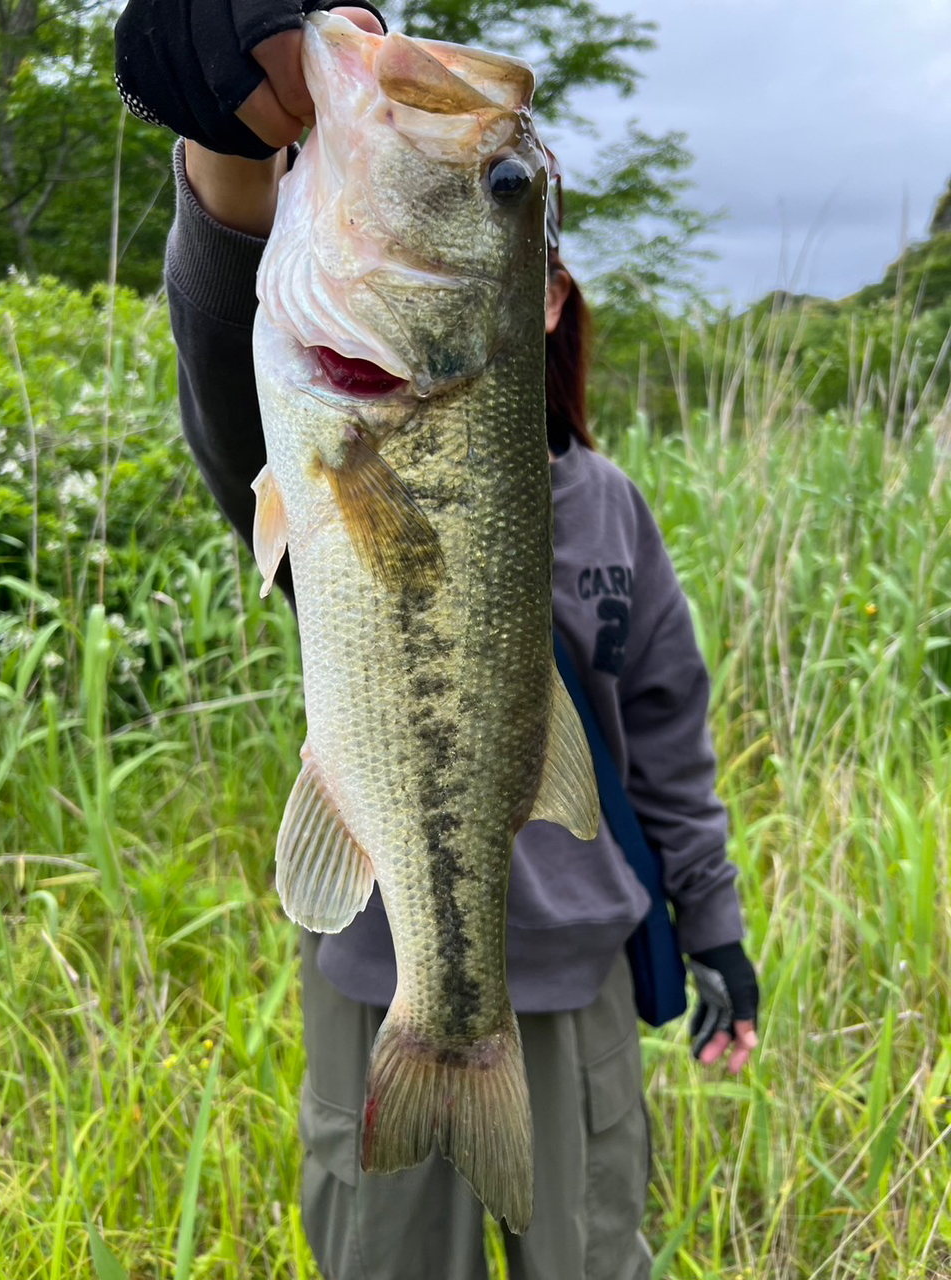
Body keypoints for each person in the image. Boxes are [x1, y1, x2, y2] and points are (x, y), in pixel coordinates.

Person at [115, 4, 760, 1277]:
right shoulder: (327, 410)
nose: (485, 185)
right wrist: (223, 160)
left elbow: (671, 737)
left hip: (578, 985)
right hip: (378, 973)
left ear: (546, 296)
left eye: (509, 196)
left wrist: (715, 923)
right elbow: (222, 348)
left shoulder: (610, 505)